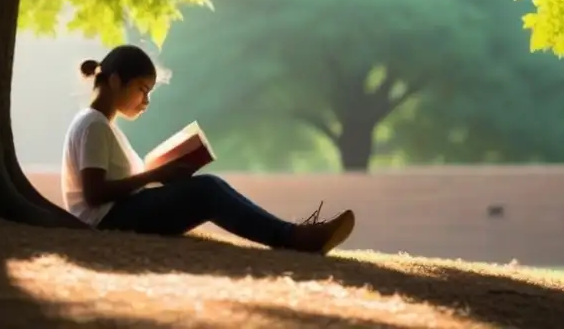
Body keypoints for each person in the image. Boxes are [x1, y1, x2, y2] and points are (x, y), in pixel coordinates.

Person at [61, 43, 356, 254]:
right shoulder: (94, 125)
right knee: (207, 190)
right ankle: (291, 236)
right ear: (115, 81)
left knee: (206, 189)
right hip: (108, 220)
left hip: (122, 212)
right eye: (142, 89)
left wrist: (161, 173)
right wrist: (156, 174)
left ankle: (292, 233)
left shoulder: (100, 125)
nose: (146, 101)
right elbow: (94, 193)